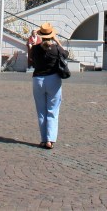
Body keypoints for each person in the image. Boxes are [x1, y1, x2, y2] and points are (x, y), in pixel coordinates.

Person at [28, 22, 68, 150]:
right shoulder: (56, 49)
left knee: (41, 111)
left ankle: (43, 139)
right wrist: (57, 41)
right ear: (52, 36)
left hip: (38, 79)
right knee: (53, 110)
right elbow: (66, 54)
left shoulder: (36, 48)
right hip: (53, 79)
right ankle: (50, 140)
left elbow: (31, 59)